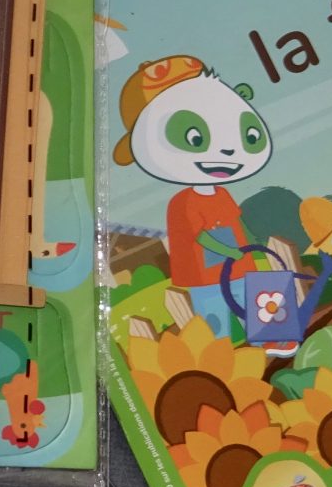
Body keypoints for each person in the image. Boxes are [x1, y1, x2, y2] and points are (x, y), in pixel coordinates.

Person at [114, 53, 273, 337]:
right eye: (195, 138)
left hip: (240, 269)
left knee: (255, 316)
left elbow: (237, 222)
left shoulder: (222, 193)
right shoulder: (183, 201)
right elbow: (200, 236)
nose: (226, 151)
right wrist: (230, 252)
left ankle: (266, 345)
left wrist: (253, 243)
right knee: (215, 326)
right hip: (207, 277)